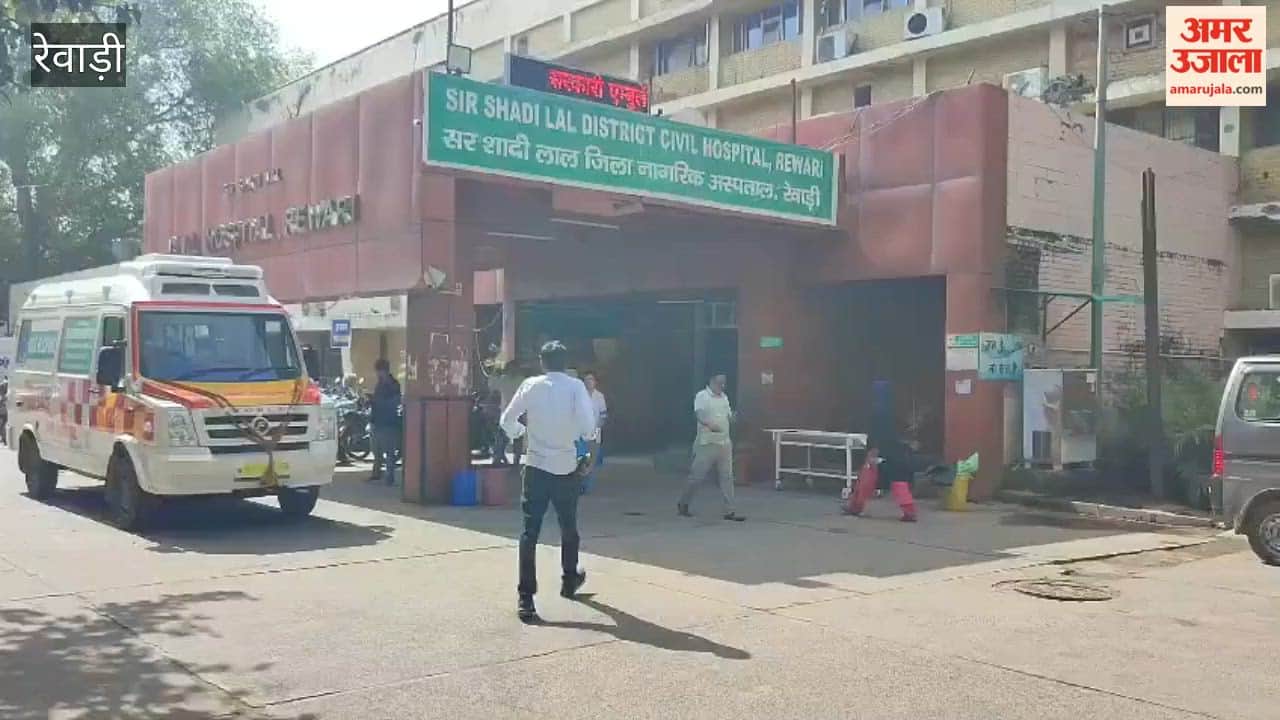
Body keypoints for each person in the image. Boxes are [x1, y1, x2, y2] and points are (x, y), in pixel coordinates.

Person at [500, 341, 596, 622]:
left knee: (529, 533)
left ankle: (526, 598)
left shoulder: (531, 385)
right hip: (565, 468)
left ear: (542, 362)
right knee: (569, 527)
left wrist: (521, 432)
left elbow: (507, 420)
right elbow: (588, 428)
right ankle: (569, 579)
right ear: (565, 363)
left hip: (536, 467)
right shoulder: (575, 387)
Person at [678, 373, 745, 522]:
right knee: (697, 476)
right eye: (720, 383)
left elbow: (728, 416)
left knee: (727, 477)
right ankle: (684, 503)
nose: (722, 386)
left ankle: (730, 510)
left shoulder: (724, 398)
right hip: (707, 443)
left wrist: (734, 418)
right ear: (712, 381)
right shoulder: (702, 396)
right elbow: (699, 414)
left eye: (724, 383)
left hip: (724, 443)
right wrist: (709, 424)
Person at [367, 358, 402, 485]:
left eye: (378, 371)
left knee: (389, 451)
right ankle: (377, 473)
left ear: (383, 370)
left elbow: (394, 402)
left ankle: (389, 476)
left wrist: (376, 402)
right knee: (376, 450)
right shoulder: (380, 383)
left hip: (388, 422)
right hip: (378, 420)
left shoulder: (393, 384)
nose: (377, 374)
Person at [581, 371, 607, 491]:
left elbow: (603, 415)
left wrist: (597, 427)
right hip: (582, 432)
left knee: (592, 459)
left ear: (595, 382)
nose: (589, 382)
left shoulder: (599, 396)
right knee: (582, 458)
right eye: (587, 380)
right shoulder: (580, 395)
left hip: (595, 432)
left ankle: (588, 484)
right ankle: (582, 483)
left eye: (591, 379)